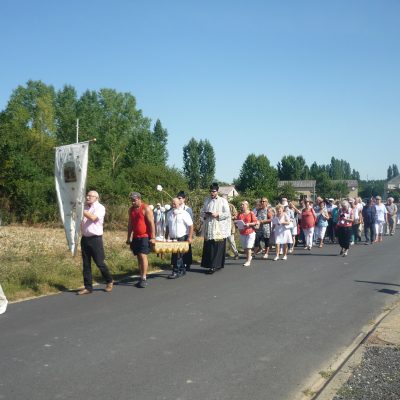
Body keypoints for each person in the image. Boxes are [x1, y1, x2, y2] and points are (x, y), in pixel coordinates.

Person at [78, 190, 114, 295]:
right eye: (87, 195)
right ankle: (88, 287)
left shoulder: (100, 208)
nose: (88, 197)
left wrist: (81, 210)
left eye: (90, 196)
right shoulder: (84, 207)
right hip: (85, 238)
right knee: (86, 264)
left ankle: (109, 280)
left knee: (99, 262)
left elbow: (93, 218)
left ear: (96, 198)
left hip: (95, 239)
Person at [200, 183, 231, 274]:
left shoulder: (223, 201)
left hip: (218, 227)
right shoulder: (207, 200)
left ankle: (215, 266)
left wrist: (218, 214)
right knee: (209, 246)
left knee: (217, 246)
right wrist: (205, 214)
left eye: (214, 191)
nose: (212, 193)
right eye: (211, 191)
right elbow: (202, 212)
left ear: (217, 192)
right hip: (209, 225)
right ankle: (209, 264)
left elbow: (227, 214)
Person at [127, 192, 156, 288]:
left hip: (145, 236)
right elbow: (130, 224)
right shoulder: (131, 210)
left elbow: (152, 223)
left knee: (143, 256)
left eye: (134, 200)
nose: (133, 202)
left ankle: (144, 277)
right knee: (139, 256)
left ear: (139, 199)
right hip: (136, 236)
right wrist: (128, 237)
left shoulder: (145, 208)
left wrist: (153, 237)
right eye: (131, 200)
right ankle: (141, 276)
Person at [165, 198, 194, 279]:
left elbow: (191, 225)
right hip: (172, 237)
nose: (173, 205)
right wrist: (166, 237)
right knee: (175, 255)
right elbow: (167, 226)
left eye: (175, 203)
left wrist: (190, 237)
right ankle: (182, 269)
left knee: (178, 255)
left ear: (179, 204)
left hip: (182, 237)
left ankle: (175, 271)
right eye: (172, 203)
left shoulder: (184, 213)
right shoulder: (169, 213)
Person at [235, 200, 258, 266]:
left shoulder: (251, 213)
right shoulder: (240, 214)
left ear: (247, 206)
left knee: (248, 247)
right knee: (244, 247)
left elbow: (255, 222)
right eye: (241, 205)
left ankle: (248, 261)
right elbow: (237, 221)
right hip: (242, 232)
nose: (241, 206)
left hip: (250, 232)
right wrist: (237, 224)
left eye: (243, 205)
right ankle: (249, 257)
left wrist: (249, 224)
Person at [176, 191, 193, 270]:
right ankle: (178, 264)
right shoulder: (175, 208)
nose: (179, 200)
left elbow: (191, 222)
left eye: (180, 198)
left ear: (184, 199)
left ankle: (187, 263)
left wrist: (190, 234)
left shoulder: (187, 209)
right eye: (178, 198)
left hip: (186, 231)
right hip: (178, 231)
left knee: (186, 249)